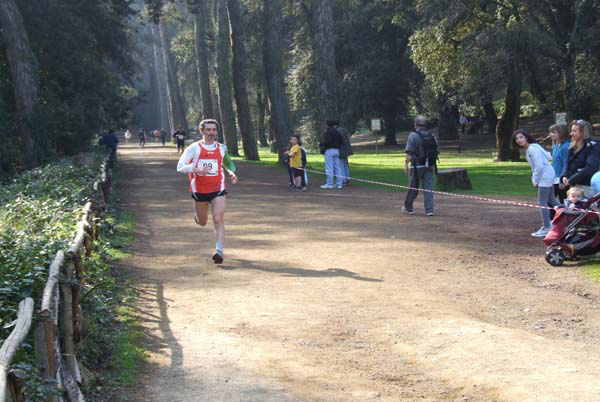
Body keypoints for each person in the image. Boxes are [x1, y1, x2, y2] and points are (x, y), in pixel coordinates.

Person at [176, 119, 238, 264]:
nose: (211, 133)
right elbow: (180, 167)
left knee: (218, 219)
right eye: (208, 130)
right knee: (203, 222)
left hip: (218, 189)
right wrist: (195, 169)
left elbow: (228, 163)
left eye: (214, 130)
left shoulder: (222, 148)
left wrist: (231, 173)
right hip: (199, 190)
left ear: (217, 131)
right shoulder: (194, 148)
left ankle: (219, 251)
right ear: (202, 131)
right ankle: (198, 217)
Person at [512, 129, 559, 237]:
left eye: (521, 137)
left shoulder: (532, 149)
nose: (519, 140)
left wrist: (535, 180)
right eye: (516, 138)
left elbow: (539, 167)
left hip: (545, 177)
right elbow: (547, 157)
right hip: (549, 175)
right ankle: (567, 217)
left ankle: (546, 227)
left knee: (542, 202)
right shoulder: (533, 147)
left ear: (526, 137)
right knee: (551, 199)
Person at [402, 115, 438, 216]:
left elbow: (409, 154)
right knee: (428, 189)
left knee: (413, 187)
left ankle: (408, 208)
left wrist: (405, 164)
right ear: (425, 124)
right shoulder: (432, 136)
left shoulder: (413, 136)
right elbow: (436, 151)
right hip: (430, 165)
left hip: (417, 166)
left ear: (415, 124)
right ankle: (429, 210)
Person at [560, 119, 599, 198]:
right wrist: (564, 176)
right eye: (571, 131)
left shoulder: (592, 147)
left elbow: (590, 167)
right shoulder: (572, 147)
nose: (571, 134)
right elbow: (567, 163)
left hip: (586, 187)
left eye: (574, 131)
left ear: (582, 133)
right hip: (573, 187)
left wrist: (572, 179)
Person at [549, 124, 570, 203]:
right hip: (554, 178)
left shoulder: (566, 146)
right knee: (550, 201)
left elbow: (566, 164)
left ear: (561, 133)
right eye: (550, 132)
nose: (551, 134)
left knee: (563, 201)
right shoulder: (555, 146)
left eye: (554, 132)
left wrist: (562, 180)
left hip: (562, 179)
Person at [320, 120, 343, 189]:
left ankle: (329, 184)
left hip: (329, 150)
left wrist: (322, 144)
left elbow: (328, 142)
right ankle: (339, 184)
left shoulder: (328, 132)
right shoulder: (337, 132)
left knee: (329, 168)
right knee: (338, 168)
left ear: (327, 125)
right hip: (337, 150)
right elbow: (341, 142)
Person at [336, 120, 353, 185]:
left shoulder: (338, 131)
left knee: (341, 165)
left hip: (341, 150)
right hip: (346, 149)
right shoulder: (344, 130)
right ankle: (347, 179)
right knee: (345, 164)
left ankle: (343, 180)